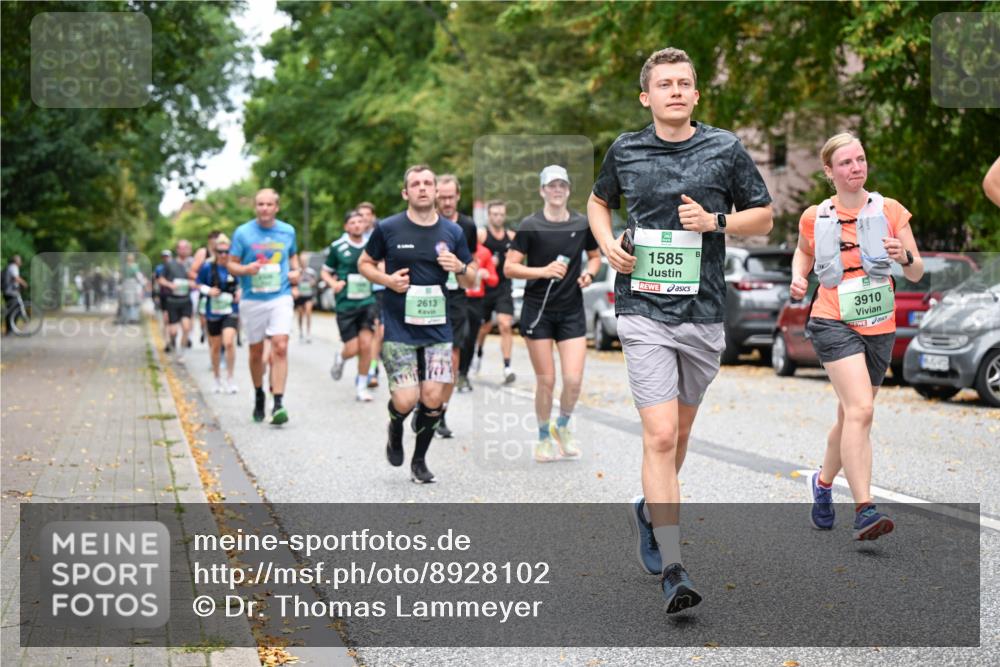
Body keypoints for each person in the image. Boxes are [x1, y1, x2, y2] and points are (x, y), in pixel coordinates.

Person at [588, 47, 773, 613]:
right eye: (664, 83)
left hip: (704, 313)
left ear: (695, 94)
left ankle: (648, 507)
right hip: (642, 307)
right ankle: (673, 564)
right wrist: (606, 245)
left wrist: (716, 221)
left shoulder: (725, 148)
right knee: (661, 436)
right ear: (646, 97)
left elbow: (763, 217)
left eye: (684, 83)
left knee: (680, 437)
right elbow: (599, 203)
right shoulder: (627, 148)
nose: (675, 90)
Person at [790, 132, 923, 541]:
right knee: (862, 410)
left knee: (850, 415)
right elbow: (804, 252)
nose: (856, 168)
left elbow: (916, 272)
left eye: (860, 160)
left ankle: (823, 483)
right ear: (829, 171)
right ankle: (865, 508)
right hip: (833, 319)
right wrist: (798, 276)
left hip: (879, 324)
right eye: (846, 163)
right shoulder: (815, 216)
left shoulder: (891, 211)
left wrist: (904, 257)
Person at [358, 165, 477, 484]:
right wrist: (387, 281)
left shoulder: (452, 233)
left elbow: (471, 278)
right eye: (415, 184)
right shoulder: (388, 228)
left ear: (437, 191)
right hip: (399, 327)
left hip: (438, 329)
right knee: (406, 400)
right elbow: (364, 263)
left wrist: (460, 266)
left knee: (434, 397)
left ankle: (419, 461)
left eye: (428, 183)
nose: (422, 188)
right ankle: (395, 427)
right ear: (405, 192)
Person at [506, 165, 601, 463]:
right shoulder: (530, 225)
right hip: (539, 312)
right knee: (546, 380)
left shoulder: (581, 223)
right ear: (542, 190)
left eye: (562, 185)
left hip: (571, 309)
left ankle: (562, 426)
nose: (557, 190)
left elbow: (595, 258)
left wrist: (589, 274)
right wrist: (543, 271)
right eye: (552, 185)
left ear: (569, 190)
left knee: (573, 380)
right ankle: (543, 437)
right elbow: (509, 267)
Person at [228, 188, 301, 425]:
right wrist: (246, 270)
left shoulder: (287, 231)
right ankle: (259, 393)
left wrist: (296, 272)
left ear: (276, 207)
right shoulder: (243, 233)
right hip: (252, 299)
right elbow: (231, 265)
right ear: (255, 207)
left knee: (280, 346)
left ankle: (278, 401)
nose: (265, 208)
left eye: (269, 204)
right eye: (260, 204)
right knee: (256, 352)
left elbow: (293, 258)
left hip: (280, 296)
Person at [431, 175, 479, 440]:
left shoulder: (468, 226)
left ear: (458, 196)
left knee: (453, 357)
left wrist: (465, 272)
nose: (447, 202)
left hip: (457, 296)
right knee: (428, 356)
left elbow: (471, 263)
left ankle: (441, 413)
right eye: (443, 197)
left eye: (451, 197)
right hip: (427, 296)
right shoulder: (427, 223)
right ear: (436, 196)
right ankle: (426, 404)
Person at [323, 209, 378, 402]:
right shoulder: (338, 247)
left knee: (366, 346)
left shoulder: (373, 245)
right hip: (345, 304)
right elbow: (325, 272)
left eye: (359, 222)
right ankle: (340, 357)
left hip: (368, 301)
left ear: (365, 225)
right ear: (346, 226)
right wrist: (333, 284)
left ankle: (361, 387)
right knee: (352, 348)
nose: (356, 225)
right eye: (352, 222)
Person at [474, 200, 517, 383]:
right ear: (489, 216)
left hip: (503, 288)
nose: (498, 217)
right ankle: (478, 353)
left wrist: (511, 260)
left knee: (505, 324)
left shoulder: (512, 236)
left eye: (501, 214)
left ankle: (507, 367)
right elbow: (472, 258)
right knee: (483, 327)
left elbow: (519, 261)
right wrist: (486, 263)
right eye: (494, 214)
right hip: (485, 288)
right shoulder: (482, 235)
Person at [196, 234, 240, 394]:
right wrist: (208, 290)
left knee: (228, 342)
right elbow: (197, 283)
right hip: (213, 311)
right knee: (215, 346)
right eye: (220, 252)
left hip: (230, 310)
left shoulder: (234, 267)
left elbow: (244, 282)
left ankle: (230, 378)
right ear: (215, 252)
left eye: (226, 251)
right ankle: (216, 378)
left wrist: (240, 291)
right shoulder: (208, 267)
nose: (223, 255)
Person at [460, 240, 500, 381]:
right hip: (458, 298)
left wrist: (487, 275)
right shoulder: (455, 247)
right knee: (462, 336)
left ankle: (463, 373)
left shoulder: (484, 252)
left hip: (476, 301)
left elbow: (494, 279)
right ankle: (457, 369)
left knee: (471, 337)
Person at [358, 201, 385, 388]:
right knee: (365, 335)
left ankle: (373, 368)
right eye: (361, 215)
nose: (365, 218)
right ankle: (366, 368)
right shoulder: (353, 236)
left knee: (380, 331)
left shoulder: (381, 233)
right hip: (361, 292)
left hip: (379, 290)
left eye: (368, 214)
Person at [156, 246, 195, 360]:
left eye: (185, 248)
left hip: (186, 300)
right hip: (172, 300)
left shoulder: (193, 264)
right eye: (181, 248)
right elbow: (160, 279)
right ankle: (172, 342)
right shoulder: (168, 265)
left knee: (186, 327)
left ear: (189, 250)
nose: (184, 250)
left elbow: (199, 279)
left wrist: (193, 283)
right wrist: (170, 285)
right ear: (177, 250)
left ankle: (182, 352)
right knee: (173, 331)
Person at [190, 231, 222, 344]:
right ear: (209, 242)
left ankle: (221, 352)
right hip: (207, 292)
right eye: (214, 242)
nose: (216, 245)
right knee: (208, 322)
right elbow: (192, 272)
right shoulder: (203, 253)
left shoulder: (226, 252)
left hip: (223, 293)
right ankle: (206, 334)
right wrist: (205, 283)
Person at [2, 254, 28, 334]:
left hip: (8, 292)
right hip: (11, 292)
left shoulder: (10, 266)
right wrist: (24, 283)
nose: (21, 262)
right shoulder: (13, 267)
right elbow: (16, 277)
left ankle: (10, 329)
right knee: (14, 310)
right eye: (19, 260)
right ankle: (10, 330)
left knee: (12, 310)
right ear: (16, 261)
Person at [294, 264, 317, 343]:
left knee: (308, 313)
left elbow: (315, 282)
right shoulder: (297, 271)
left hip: (308, 295)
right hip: (300, 296)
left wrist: (311, 283)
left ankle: (308, 333)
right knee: (300, 315)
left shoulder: (311, 272)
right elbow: (293, 282)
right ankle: (301, 332)